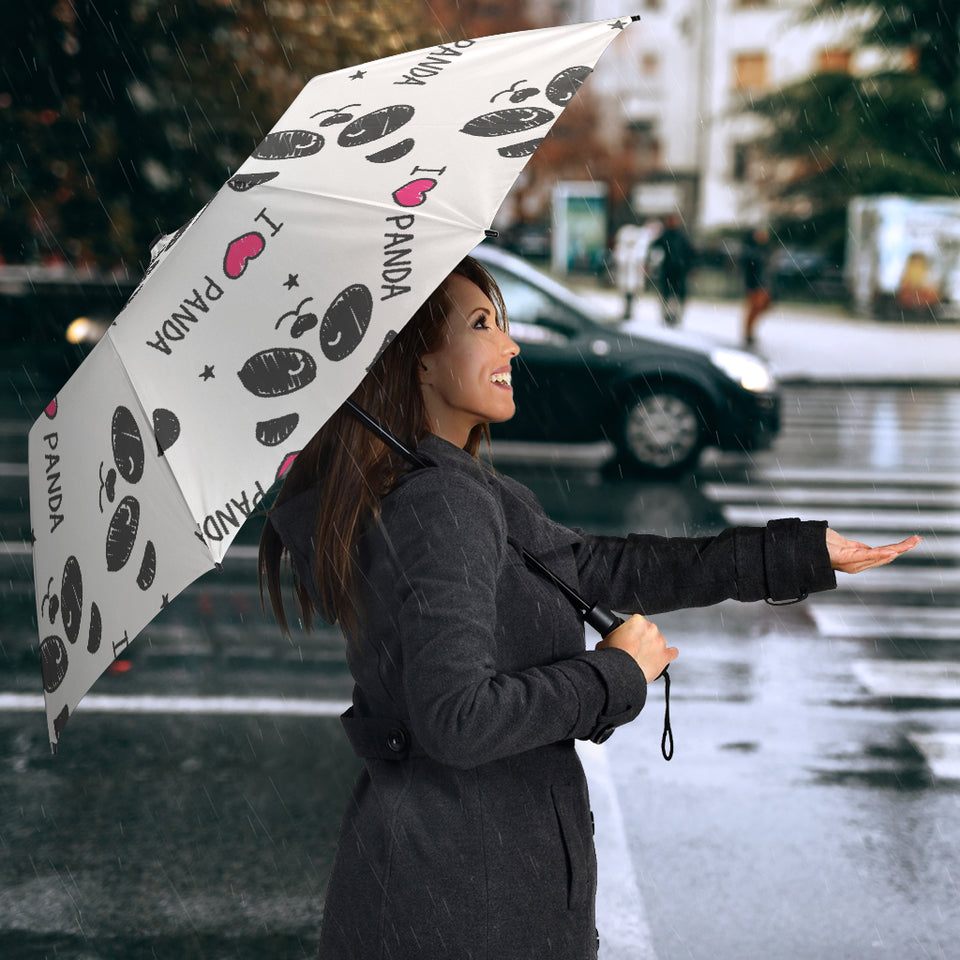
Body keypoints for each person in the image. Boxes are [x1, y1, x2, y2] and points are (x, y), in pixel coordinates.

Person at [259, 256, 919, 960]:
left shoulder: (451, 489)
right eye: (482, 325)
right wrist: (613, 673)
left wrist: (796, 554)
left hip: (453, 883)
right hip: (466, 902)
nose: (510, 345)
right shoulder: (439, 504)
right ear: (417, 363)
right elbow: (456, 720)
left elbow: (603, 567)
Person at [648, 213, 695, 327]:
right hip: (668, 270)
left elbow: (690, 253)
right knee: (667, 294)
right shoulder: (665, 236)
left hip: (679, 271)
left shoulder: (681, 237)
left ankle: (675, 316)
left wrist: (690, 267)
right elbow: (654, 249)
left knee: (677, 295)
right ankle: (667, 315)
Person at [741, 226, 773, 347]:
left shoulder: (763, 249)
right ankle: (748, 333)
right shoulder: (751, 250)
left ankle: (750, 331)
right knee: (754, 308)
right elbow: (750, 265)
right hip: (755, 284)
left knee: (762, 306)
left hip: (763, 283)